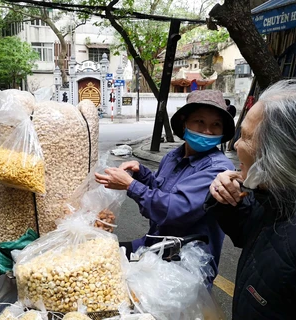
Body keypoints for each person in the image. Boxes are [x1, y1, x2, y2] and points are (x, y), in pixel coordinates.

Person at [205, 79, 296, 318]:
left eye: (245, 136)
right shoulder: (282, 195)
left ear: (282, 152)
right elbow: (255, 233)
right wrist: (225, 199)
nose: (235, 145)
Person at [95, 90, 235, 284]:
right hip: (155, 247)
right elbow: (161, 190)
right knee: (98, 258)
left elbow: (174, 209)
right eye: (200, 122)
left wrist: (130, 185)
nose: (208, 131)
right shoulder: (173, 156)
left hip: (186, 266)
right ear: (185, 122)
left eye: (216, 125)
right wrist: (141, 173)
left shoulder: (218, 169)